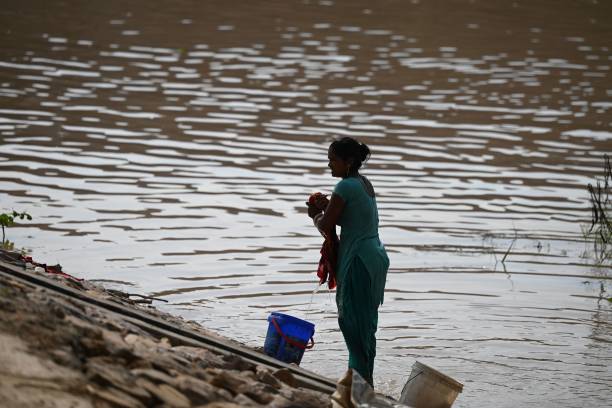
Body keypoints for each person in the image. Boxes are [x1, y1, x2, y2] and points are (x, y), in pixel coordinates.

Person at [306, 136, 389, 386]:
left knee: (352, 324)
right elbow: (353, 218)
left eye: (333, 160)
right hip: (374, 257)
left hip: (358, 260)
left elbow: (327, 224)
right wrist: (328, 206)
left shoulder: (345, 187)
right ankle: (364, 383)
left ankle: (358, 388)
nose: (329, 165)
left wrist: (316, 214)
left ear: (349, 161)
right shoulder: (363, 183)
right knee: (366, 326)